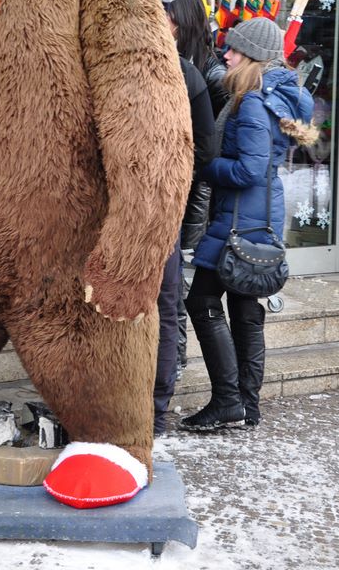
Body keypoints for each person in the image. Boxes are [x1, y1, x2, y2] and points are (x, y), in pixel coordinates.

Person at [181, 19, 317, 431]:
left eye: (234, 51)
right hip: (253, 216)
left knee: (202, 302)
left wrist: (204, 166)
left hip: (242, 219)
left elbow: (250, 170)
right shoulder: (264, 96)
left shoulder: (255, 102)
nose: (226, 55)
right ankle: (246, 405)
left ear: (253, 57)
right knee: (243, 307)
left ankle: (228, 400)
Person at [154, 54, 215, 435]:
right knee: (164, 307)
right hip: (164, 202)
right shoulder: (185, 70)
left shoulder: (97, 60)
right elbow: (207, 147)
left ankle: (107, 412)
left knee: (102, 308)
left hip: (106, 206)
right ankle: (156, 413)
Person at [162, 0, 227, 116]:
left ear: (183, 17)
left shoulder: (215, 74)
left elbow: (218, 127)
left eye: (166, 13)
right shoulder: (171, 58)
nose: (161, 19)